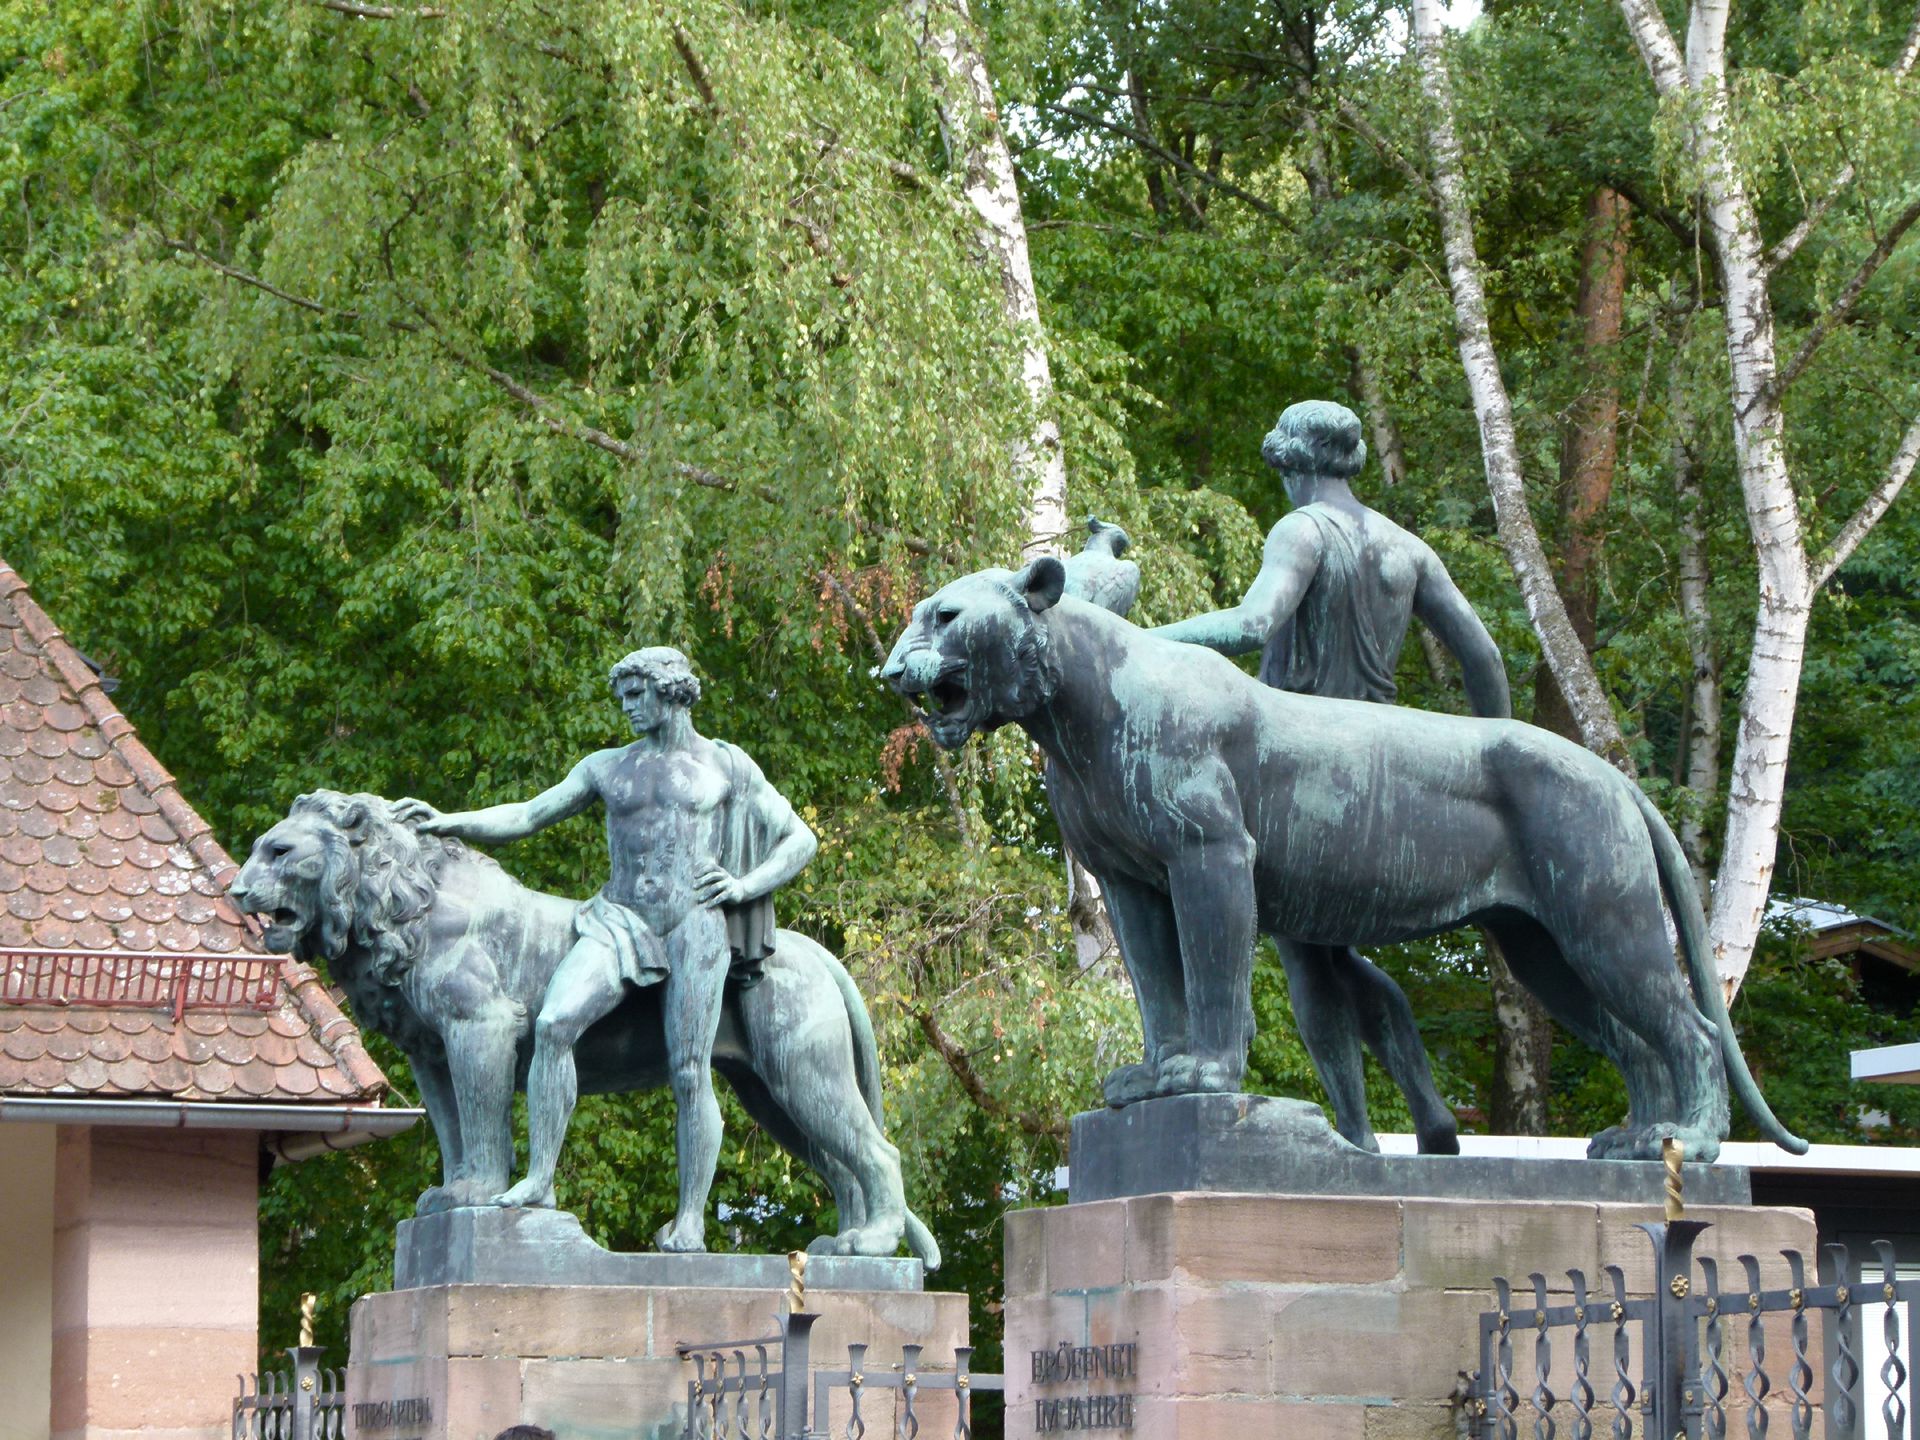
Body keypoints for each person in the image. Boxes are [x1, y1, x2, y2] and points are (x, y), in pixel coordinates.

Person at [1154, 399, 1511, 1153]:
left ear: (1291, 461)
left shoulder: (1302, 529)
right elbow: (1485, 658)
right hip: (1384, 766)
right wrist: (1494, 757)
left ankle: (1355, 1128)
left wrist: (1138, 644)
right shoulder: (1407, 548)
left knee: (1306, 955)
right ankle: (1424, 1106)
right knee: (1335, 952)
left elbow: (1254, 625)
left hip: (1302, 761)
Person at [394, 646, 817, 1249]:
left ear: (670, 691)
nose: (627, 709)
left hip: (695, 925)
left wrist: (744, 885)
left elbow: (800, 839)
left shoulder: (727, 766)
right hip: (617, 918)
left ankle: (691, 1218)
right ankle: (540, 1179)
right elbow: (529, 815)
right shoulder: (607, 767)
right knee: (553, 1022)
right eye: (623, 698)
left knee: (690, 1070)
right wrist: (448, 820)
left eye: (636, 695)